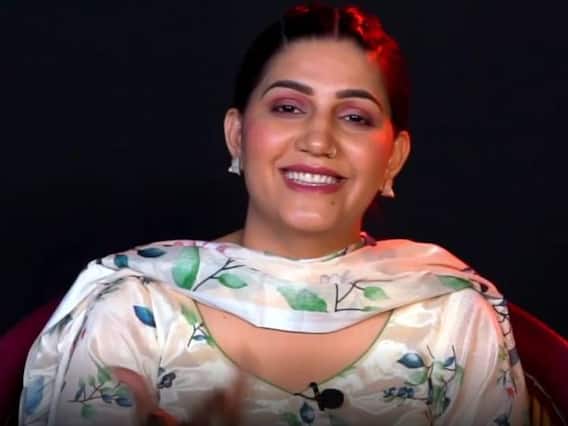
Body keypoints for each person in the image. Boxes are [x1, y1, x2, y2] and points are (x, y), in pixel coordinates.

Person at [19, 3, 528, 426]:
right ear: (237, 135)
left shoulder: (450, 319)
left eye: (354, 116)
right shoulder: (136, 308)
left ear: (393, 157)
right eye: (288, 107)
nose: (318, 140)